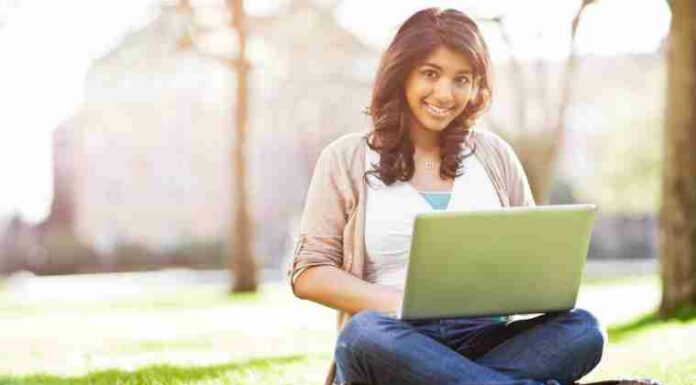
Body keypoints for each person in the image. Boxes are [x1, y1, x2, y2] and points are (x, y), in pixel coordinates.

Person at [288, 7, 609, 385]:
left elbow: (529, 258)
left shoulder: (494, 156)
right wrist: (398, 302)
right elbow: (308, 273)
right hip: (395, 340)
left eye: (462, 79)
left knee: (584, 329)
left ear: (476, 87)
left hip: (484, 339)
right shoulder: (347, 158)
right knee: (362, 335)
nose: (445, 93)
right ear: (401, 73)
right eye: (430, 74)